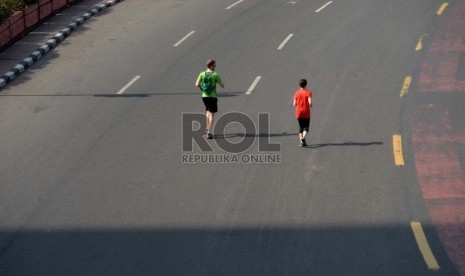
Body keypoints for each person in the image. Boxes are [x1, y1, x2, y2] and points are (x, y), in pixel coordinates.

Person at [195, 59, 224, 139]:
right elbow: (222, 85)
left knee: (207, 111)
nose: (215, 66)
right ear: (211, 66)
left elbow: (196, 85)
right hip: (213, 96)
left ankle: (207, 127)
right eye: (214, 65)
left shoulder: (202, 74)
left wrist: (203, 89)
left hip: (204, 96)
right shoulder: (215, 74)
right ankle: (209, 132)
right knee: (212, 113)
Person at [293, 78, 313, 147]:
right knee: (306, 127)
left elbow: (294, 104)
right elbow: (310, 102)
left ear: (299, 85)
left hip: (299, 112)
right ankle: (303, 138)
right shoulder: (308, 92)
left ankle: (301, 141)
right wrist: (311, 105)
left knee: (301, 127)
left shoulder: (296, 93)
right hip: (306, 112)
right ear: (306, 85)